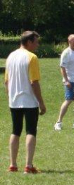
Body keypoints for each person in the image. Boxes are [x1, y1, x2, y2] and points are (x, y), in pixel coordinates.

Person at [4, 31, 46, 173]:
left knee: (15, 131)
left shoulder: (10, 56)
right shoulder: (31, 57)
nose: (37, 45)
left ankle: (13, 164)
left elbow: (6, 82)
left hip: (14, 101)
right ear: (28, 42)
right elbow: (34, 82)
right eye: (36, 42)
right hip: (29, 100)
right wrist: (41, 103)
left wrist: (10, 97)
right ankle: (28, 165)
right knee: (31, 131)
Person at [55, 34, 74, 130]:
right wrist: (66, 80)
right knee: (68, 100)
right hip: (70, 81)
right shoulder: (66, 53)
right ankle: (58, 122)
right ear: (69, 41)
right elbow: (62, 67)